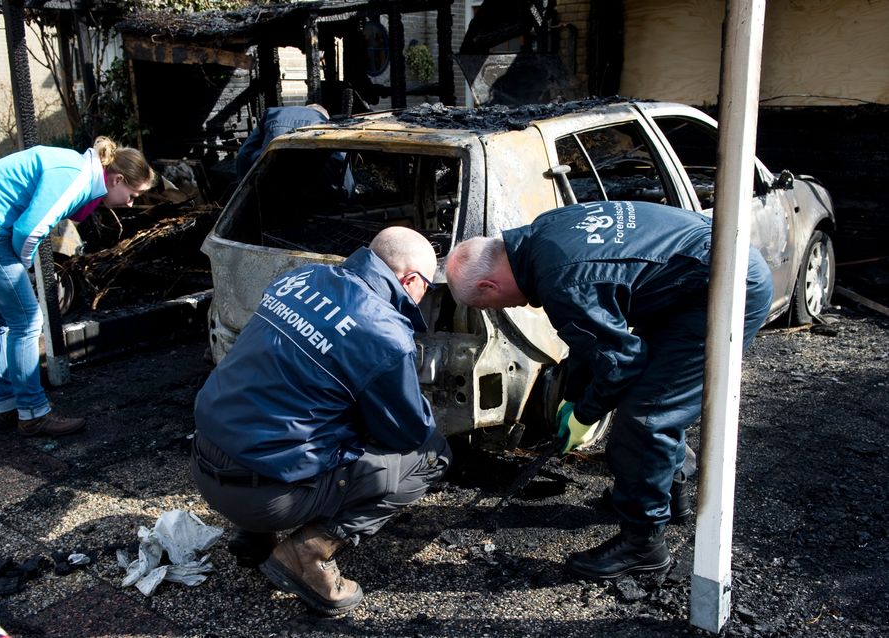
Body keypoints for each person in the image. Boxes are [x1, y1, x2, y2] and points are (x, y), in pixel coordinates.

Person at [444, 200, 773, 580]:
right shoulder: (543, 234)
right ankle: (667, 495)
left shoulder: (561, 280)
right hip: (690, 279)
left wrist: (585, 413)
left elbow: (621, 364)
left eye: (489, 305)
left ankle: (643, 544)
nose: (502, 309)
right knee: (654, 396)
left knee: (647, 417)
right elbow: (593, 338)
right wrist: (573, 395)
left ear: (489, 285)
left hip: (725, 285)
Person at [191, 226, 451, 616]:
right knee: (431, 457)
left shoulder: (301, 277)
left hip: (203, 462)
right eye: (426, 289)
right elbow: (407, 432)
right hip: (266, 499)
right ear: (411, 280)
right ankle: (308, 555)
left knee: (289, 406)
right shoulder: (385, 332)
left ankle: (254, 538)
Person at [0, 137, 155, 437]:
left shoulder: (77, 165)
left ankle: (6, 405)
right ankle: (33, 413)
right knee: (27, 320)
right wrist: (23, 266)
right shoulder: (76, 177)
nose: (130, 203)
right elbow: (30, 230)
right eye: (132, 194)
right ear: (117, 179)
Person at [235, 104, 354, 201]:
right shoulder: (323, 121)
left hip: (270, 175)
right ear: (324, 115)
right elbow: (341, 160)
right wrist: (350, 194)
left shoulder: (271, 112)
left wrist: (242, 192)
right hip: (303, 186)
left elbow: (243, 153)